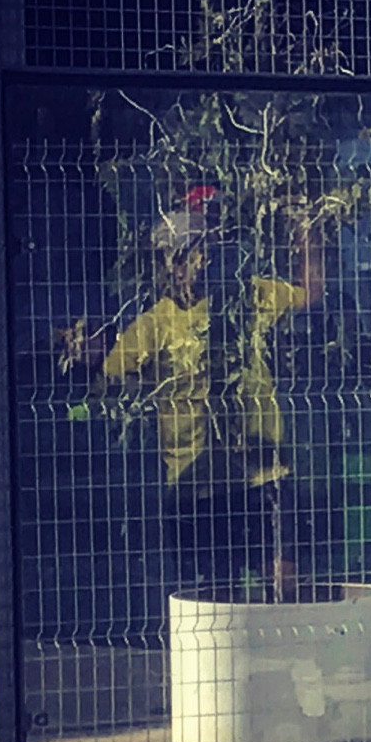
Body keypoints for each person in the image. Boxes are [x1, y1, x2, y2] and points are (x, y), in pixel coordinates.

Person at [97, 183, 324, 600]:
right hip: (195, 485)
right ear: (168, 265)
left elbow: (308, 294)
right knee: (217, 599)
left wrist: (305, 232)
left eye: (204, 250)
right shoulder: (153, 325)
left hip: (263, 474)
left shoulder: (247, 296)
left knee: (285, 583)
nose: (198, 263)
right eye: (185, 254)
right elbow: (110, 382)